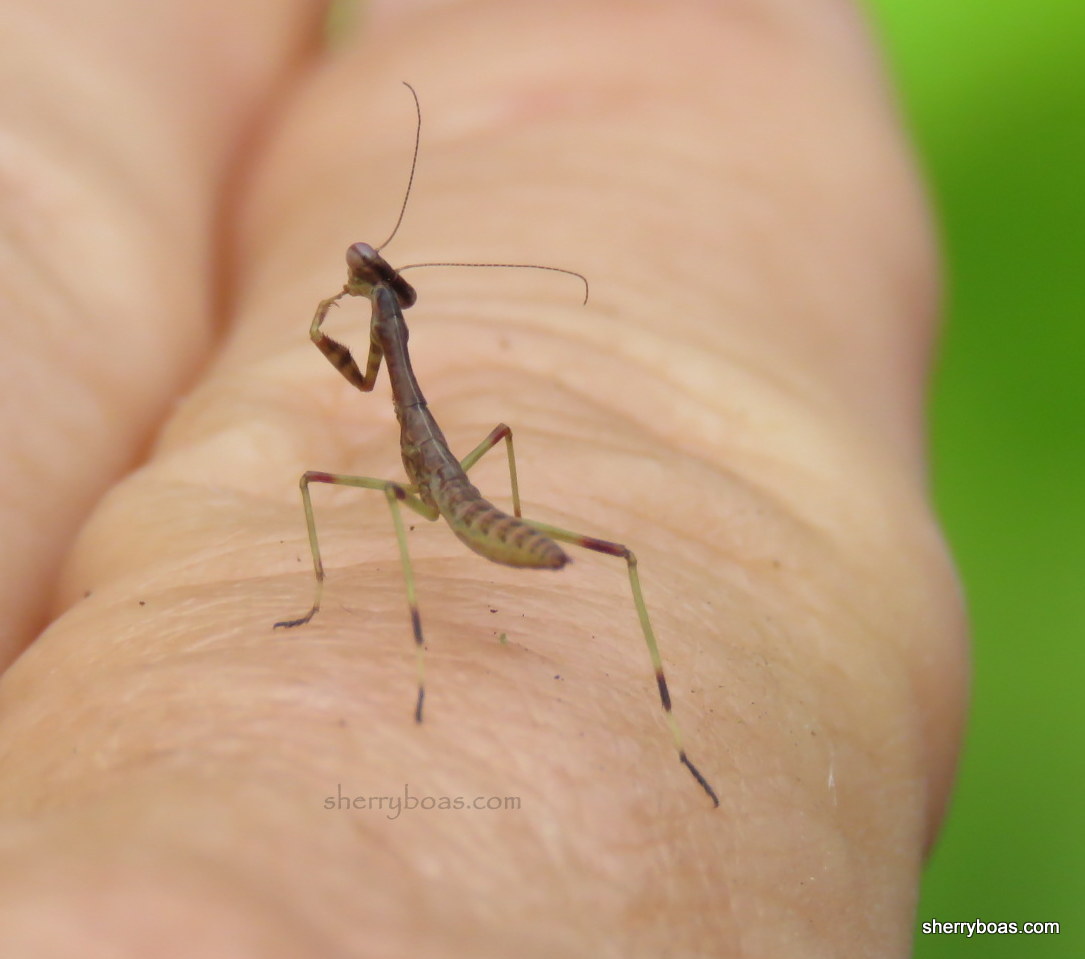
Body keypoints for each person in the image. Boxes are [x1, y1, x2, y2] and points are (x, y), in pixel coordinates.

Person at [0, 1, 968, 954]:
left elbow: (359, 379)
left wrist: (330, 312)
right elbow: (364, 376)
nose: (357, 266)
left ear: (376, 287)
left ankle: (561, 706)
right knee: (447, 477)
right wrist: (337, 307)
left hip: (477, 519)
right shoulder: (389, 341)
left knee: (343, 490)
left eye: (361, 269)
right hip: (464, 498)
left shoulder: (390, 359)